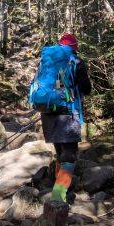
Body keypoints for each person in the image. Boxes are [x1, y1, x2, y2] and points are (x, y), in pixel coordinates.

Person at [39, 33, 91, 204]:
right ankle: (58, 196)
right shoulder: (76, 62)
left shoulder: (48, 61)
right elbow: (86, 88)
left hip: (47, 112)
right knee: (69, 154)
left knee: (60, 152)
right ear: (74, 48)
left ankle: (59, 190)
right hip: (67, 113)